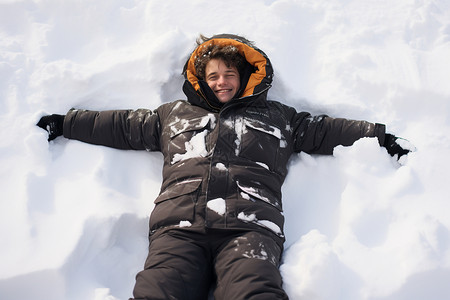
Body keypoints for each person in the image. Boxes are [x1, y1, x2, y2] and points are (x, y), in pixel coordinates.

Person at [37, 34, 413, 300]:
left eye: (229, 74)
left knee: (254, 291)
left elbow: (326, 130)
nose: (221, 82)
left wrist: (379, 137)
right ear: (201, 77)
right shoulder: (173, 115)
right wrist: (65, 122)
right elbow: (121, 125)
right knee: (158, 290)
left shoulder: (278, 117)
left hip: (250, 226)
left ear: (246, 76)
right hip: (179, 227)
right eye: (213, 75)